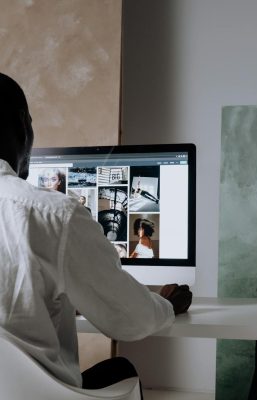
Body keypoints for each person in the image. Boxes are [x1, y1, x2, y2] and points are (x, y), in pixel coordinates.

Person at [0, 73, 192, 395]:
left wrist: (61, 294)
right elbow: (131, 321)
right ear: (23, 126)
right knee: (122, 369)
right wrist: (166, 305)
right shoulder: (53, 214)